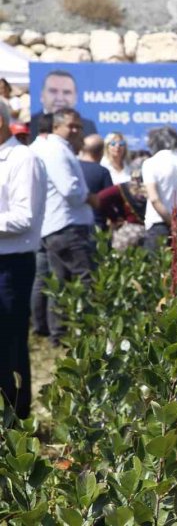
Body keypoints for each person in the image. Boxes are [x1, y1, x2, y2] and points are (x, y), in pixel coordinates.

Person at [31, 109, 97, 347]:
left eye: (78, 126)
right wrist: (90, 198)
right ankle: (88, 333)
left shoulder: (57, 149)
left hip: (60, 225)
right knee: (86, 279)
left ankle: (58, 335)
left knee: (60, 283)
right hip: (67, 225)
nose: (76, 131)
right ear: (57, 126)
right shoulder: (56, 151)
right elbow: (70, 190)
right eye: (71, 126)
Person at [0, 99, 46, 418]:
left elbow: (23, 218)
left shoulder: (23, 159)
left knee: (9, 344)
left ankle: (16, 420)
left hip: (11, 266)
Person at [28, 70, 97, 142]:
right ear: (42, 95)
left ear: (76, 97)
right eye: (53, 91)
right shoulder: (30, 124)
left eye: (66, 92)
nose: (60, 98)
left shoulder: (87, 126)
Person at [97, 160, 147, 251]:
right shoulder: (156, 188)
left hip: (128, 232)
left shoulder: (124, 187)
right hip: (150, 232)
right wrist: (115, 217)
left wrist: (114, 217)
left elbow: (100, 198)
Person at [78, 134, 114, 232]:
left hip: (74, 224)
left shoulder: (72, 168)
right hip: (97, 226)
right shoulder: (102, 172)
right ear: (101, 152)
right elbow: (109, 201)